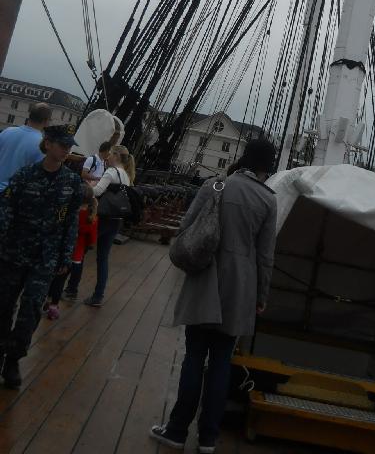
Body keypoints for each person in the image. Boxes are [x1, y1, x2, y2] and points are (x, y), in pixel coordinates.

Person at [150, 139, 278, 453]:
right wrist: (261, 295)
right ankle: (208, 438)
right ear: (267, 167)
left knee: (194, 356)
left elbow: (186, 227)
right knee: (222, 362)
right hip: (241, 287)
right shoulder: (267, 200)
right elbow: (265, 256)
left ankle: (177, 431)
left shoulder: (215, 185)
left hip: (206, 278)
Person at [0, 124, 82, 388]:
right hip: (13, 252)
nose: (66, 149)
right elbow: (6, 212)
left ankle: (13, 358)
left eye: (69, 146)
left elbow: (71, 223)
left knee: (32, 308)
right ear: (47, 144)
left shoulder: (72, 183)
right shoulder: (24, 176)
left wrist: (65, 257)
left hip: (45, 258)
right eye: (62, 144)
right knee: (3, 306)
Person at [84, 144, 135, 307]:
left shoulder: (111, 172)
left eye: (111, 154)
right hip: (116, 220)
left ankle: (70, 288)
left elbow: (98, 192)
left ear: (117, 157)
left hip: (103, 217)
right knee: (103, 258)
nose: (108, 157)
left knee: (81, 249)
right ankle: (98, 295)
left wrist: (87, 187)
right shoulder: (127, 175)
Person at [45, 184, 98, 312]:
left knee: (54, 278)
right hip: (77, 255)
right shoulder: (92, 217)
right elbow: (92, 238)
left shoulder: (70, 211)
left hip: (62, 251)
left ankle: (47, 299)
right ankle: (59, 301)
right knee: (65, 278)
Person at [0, 103, 52, 192]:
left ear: (30, 115)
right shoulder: (42, 144)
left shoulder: (7, 131)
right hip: (11, 194)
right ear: (46, 121)